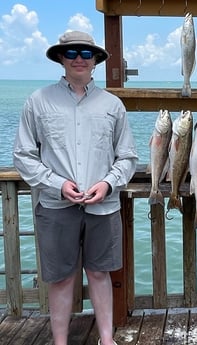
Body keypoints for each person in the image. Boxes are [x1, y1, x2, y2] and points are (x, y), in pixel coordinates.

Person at [12, 31, 138, 345]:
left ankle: (106, 339)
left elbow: (128, 156)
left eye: (85, 52)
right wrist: (57, 184)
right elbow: (23, 155)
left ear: (96, 60)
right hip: (55, 206)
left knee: (100, 273)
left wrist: (108, 184)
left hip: (103, 205)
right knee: (61, 278)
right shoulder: (38, 101)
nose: (79, 58)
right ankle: (60, 341)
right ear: (60, 58)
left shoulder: (113, 104)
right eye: (71, 53)